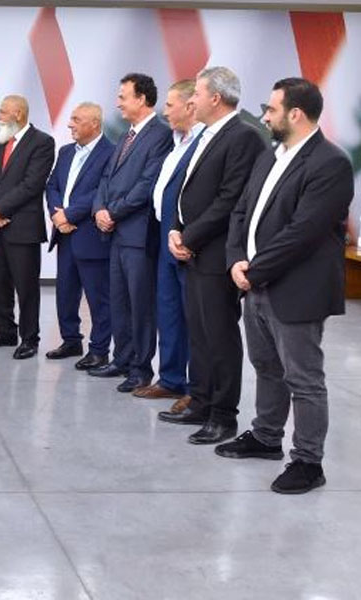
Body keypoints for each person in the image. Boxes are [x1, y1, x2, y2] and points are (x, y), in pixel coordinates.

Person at [217, 77, 353, 494]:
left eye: (271, 109)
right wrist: (235, 259)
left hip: (296, 288)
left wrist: (253, 270)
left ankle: (309, 462)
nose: (265, 117)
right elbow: (241, 211)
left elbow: (303, 233)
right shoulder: (271, 155)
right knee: (266, 367)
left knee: (304, 379)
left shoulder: (330, 163)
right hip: (255, 283)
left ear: (295, 114)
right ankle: (266, 436)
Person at [165, 67, 267, 445]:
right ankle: (201, 401)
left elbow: (230, 199)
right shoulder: (207, 134)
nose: (191, 99)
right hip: (195, 251)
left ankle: (223, 416)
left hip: (216, 253)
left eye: (197, 92)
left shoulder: (243, 136)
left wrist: (189, 236)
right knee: (200, 332)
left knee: (220, 336)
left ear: (215, 97)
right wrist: (176, 228)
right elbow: (186, 191)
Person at [90, 73, 173, 392]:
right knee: (119, 302)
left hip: (138, 236)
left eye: (123, 97)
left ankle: (140, 368)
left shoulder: (160, 135)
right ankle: (121, 359)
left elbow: (146, 184)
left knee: (140, 305)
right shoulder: (127, 135)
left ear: (141, 99)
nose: (118, 103)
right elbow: (106, 178)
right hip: (116, 235)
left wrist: (112, 212)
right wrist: (99, 209)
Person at [138, 80, 204, 405]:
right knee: (169, 312)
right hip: (165, 236)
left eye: (169, 104)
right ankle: (171, 378)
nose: (164, 111)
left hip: (188, 242)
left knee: (194, 317)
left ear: (190, 106)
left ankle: (196, 388)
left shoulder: (203, 143)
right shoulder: (177, 143)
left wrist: (187, 235)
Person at [0, 95, 55, 359]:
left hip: (22, 227)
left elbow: (32, 184)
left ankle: (30, 339)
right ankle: (5, 332)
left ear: (18, 114)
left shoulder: (42, 142)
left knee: (26, 287)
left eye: (2, 112)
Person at [44, 102, 115, 368]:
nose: (69, 124)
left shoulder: (111, 152)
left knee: (98, 298)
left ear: (94, 123)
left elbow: (101, 191)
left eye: (76, 119)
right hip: (64, 235)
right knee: (65, 292)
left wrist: (69, 215)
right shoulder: (65, 152)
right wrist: (57, 215)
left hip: (90, 236)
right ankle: (71, 340)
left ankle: (99, 350)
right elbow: (52, 186)